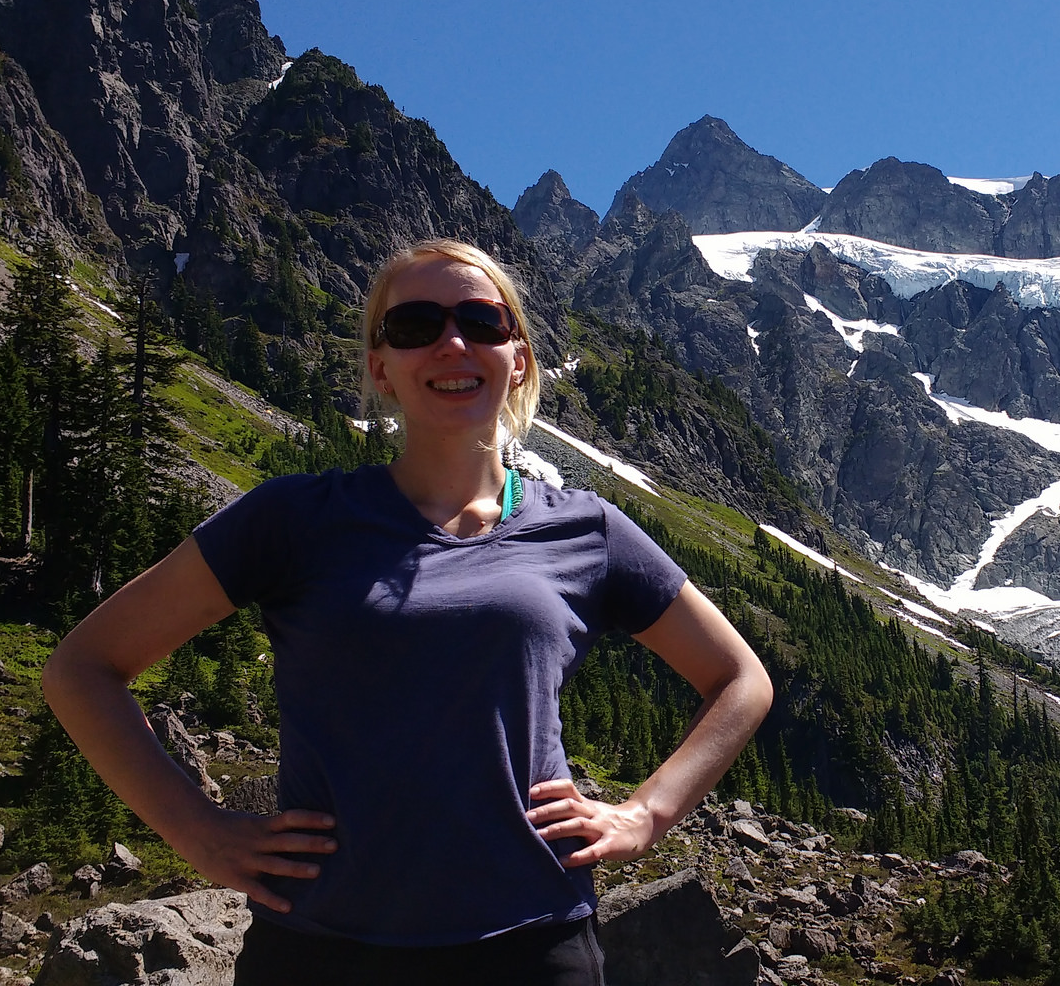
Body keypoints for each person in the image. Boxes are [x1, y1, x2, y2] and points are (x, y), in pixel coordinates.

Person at [42, 238, 774, 985]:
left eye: (482, 322)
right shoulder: (293, 519)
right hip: (322, 951)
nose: (452, 342)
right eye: (415, 325)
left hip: (532, 942)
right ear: (380, 368)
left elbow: (740, 678)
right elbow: (83, 669)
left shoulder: (586, 529)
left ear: (517, 357)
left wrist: (647, 814)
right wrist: (197, 831)